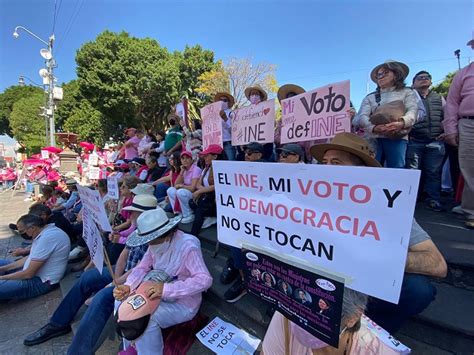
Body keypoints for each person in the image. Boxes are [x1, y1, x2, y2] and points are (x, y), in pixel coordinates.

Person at [310, 132, 447, 332]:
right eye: (324, 163)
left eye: (337, 163)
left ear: (362, 171)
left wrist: (374, 257)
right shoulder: (306, 199)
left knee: (418, 289)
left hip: (368, 279)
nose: (327, 170)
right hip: (323, 278)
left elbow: (437, 264)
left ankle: (372, 333)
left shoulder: (388, 205)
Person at [23, 204, 153, 353]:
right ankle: (57, 323)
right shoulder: (138, 229)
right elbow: (124, 254)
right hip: (124, 272)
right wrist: (115, 277)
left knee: (103, 296)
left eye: (133, 213)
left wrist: (114, 283)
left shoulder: (152, 236)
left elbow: (140, 269)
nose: (130, 216)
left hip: (138, 279)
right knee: (88, 277)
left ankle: (78, 351)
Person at [113, 208, 212, 354]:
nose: (149, 244)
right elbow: (141, 268)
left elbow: (204, 280)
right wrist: (128, 286)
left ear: (165, 236)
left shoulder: (188, 246)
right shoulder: (154, 245)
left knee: (146, 319)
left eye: (152, 240)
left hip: (183, 302)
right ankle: (131, 347)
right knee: (121, 303)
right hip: (154, 292)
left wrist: (165, 289)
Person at [262, 289, 407, 354]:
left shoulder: (379, 352)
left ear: (352, 318)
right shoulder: (287, 316)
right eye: (301, 309)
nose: (304, 321)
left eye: (322, 317)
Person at [353, 60, 418, 168]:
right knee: (371, 169)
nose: (381, 77)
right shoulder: (370, 97)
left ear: (396, 74)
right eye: (378, 75)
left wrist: (402, 123)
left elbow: (413, 111)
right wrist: (373, 127)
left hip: (397, 138)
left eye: (385, 73)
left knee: (397, 169)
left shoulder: (407, 92)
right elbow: (361, 117)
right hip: (373, 139)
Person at [0, 214, 70, 300]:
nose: (22, 234)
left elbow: (28, 274)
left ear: (32, 228)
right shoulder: (44, 233)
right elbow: (30, 257)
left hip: (39, 282)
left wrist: (2, 278)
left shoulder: (48, 238)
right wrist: (4, 269)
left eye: (22, 231)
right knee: (2, 264)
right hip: (30, 273)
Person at [443, 38, 474, 229]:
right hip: (469, 123)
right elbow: (452, 103)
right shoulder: (464, 73)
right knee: (469, 168)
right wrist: (450, 129)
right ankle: (470, 210)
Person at [406, 70, 446, 211]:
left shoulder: (439, 98)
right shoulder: (408, 98)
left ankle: (433, 199)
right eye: (420, 78)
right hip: (415, 140)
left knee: (433, 172)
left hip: (435, 141)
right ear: (413, 83)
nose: (423, 79)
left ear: (430, 82)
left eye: (426, 77)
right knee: (412, 171)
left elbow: (446, 116)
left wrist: (446, 132)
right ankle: (410, 199)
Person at [190, 144, 224, 236]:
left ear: (215, 156)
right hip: (207, 195)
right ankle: (211, 217)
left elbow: (218, 185)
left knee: (200, 208)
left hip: (216, 199)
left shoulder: (222, 168)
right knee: (192, 202)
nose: (204, 158)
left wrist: (201, 191)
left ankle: (193, 235)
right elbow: (198, 183)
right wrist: (203, 190)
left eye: (207, 155)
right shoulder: (207, 167)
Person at [166, 151, 202, 224]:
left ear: (192, 160)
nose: (185, 160)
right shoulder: (184, 169)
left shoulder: (196, 169)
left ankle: (189, 214)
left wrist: (181, 186)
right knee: (170, 190)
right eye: (183, 158)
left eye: (187, 158)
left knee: (181, 191)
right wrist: (182, 172)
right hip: (187, 192)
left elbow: (193, 188)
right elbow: (176, 184)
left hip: (195, 194)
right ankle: (178, 213)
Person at [243, 85, 274, 161]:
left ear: (261, 96)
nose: (254, 96)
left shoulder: (268, 108)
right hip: (250, 147)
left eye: (256, 94)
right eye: (252, 94)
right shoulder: (244, 112)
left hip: (265, 146)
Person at [215, 92, 237, 160]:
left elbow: (234, 131)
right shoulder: (214, 114)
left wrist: (225, 119)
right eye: (220, 100)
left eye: (224, 100)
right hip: (218, 144)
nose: (222, 102)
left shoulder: (232, 113)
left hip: (228, 143)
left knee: (230, 165)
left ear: (228, 102)